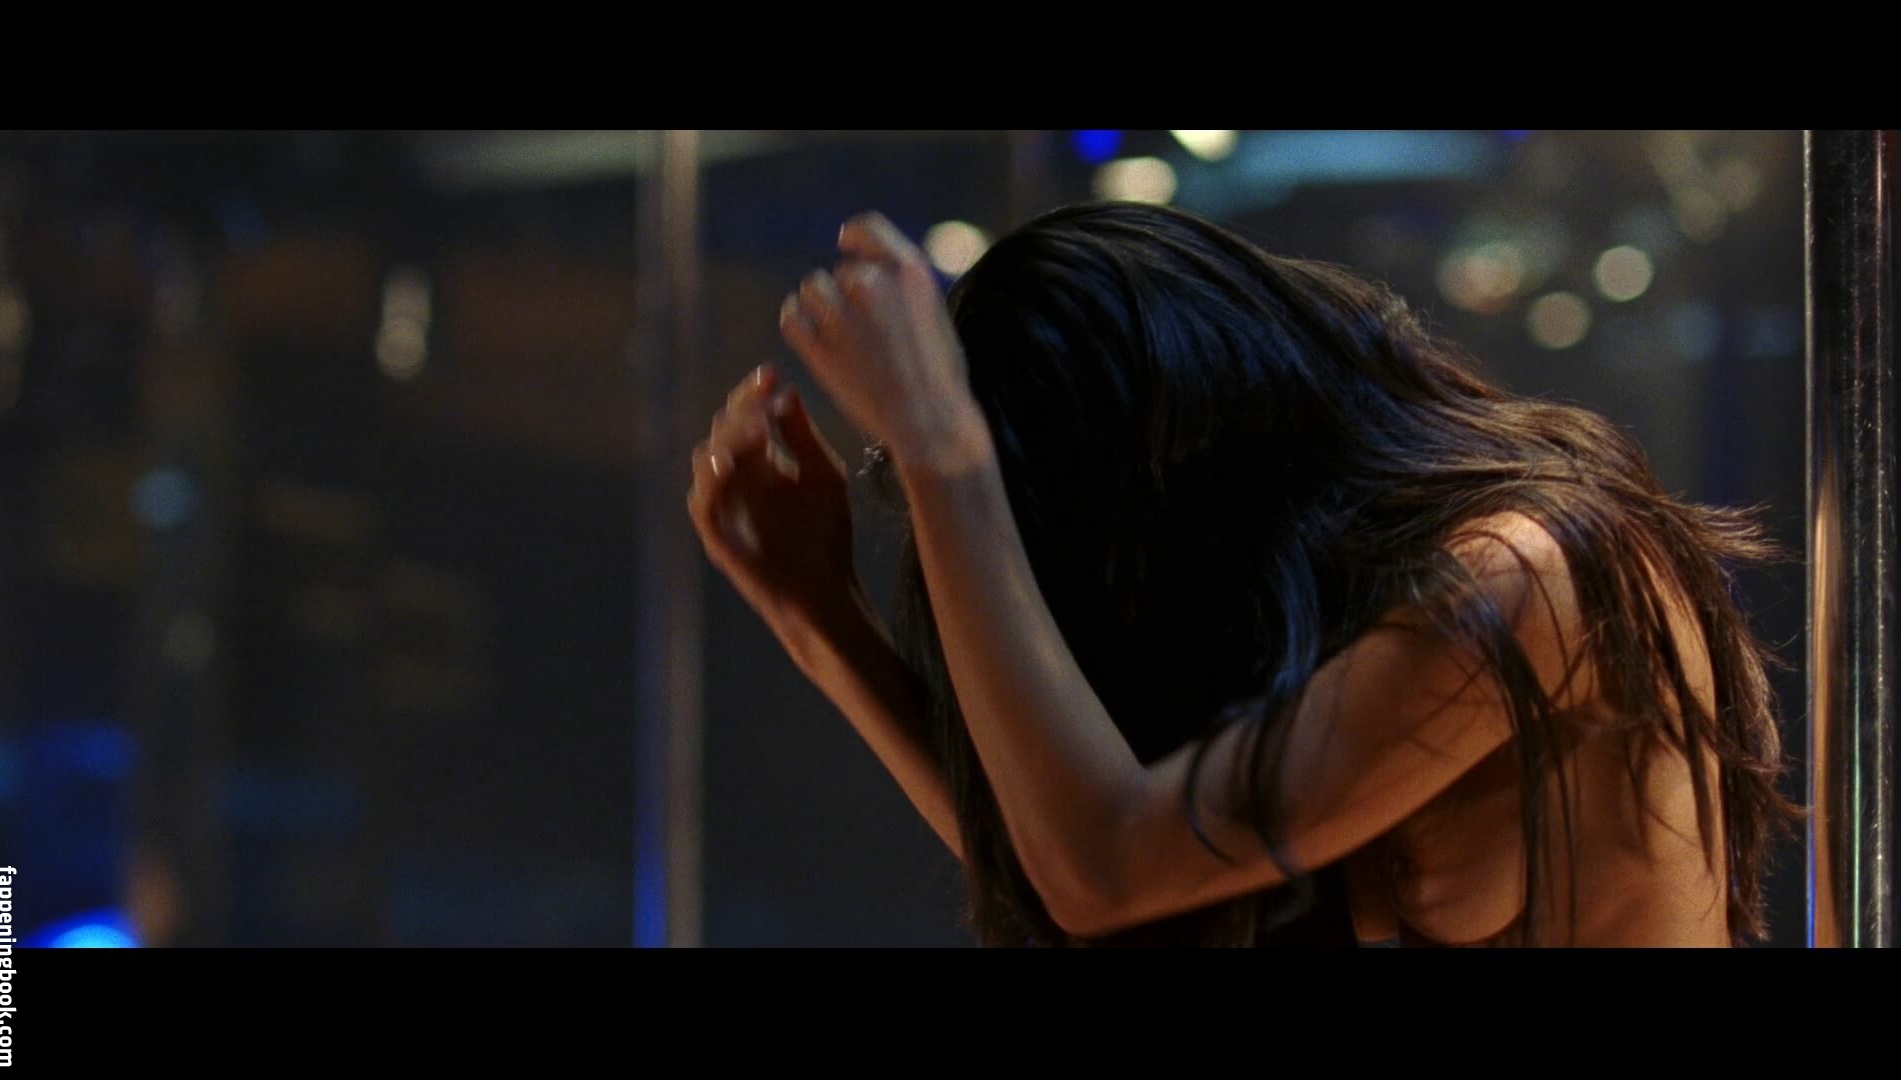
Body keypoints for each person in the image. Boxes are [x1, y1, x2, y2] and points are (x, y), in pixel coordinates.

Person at [685, 202, 1799, 947]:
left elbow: (1109, 871)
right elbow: (1106, 885)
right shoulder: (1375, 621)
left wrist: (945, 456)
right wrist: (820, 621)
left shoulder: (1537, 574)